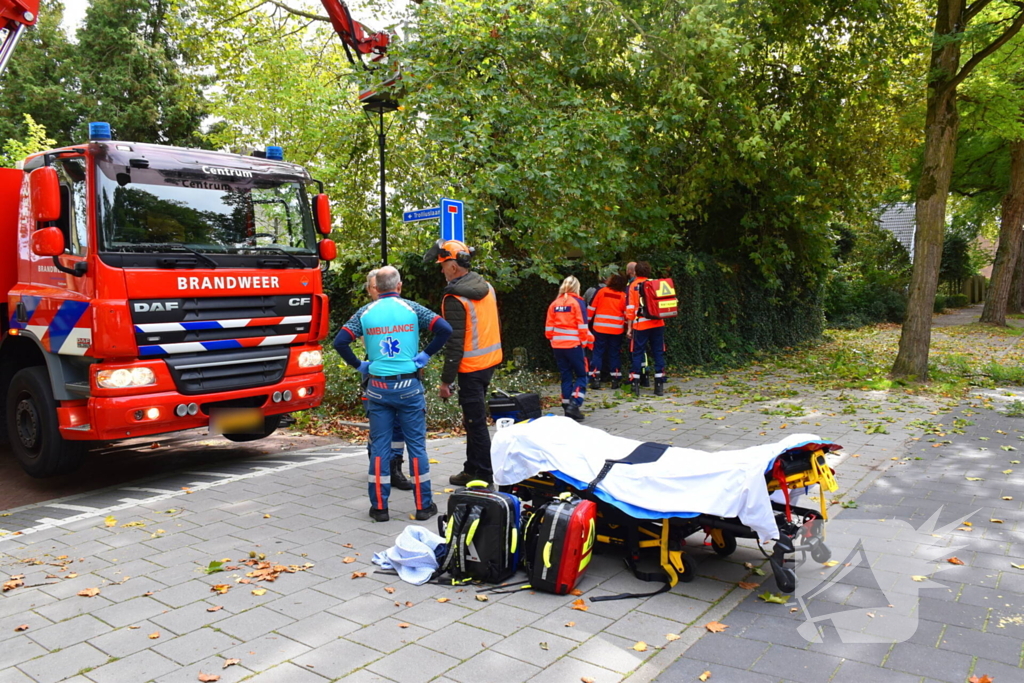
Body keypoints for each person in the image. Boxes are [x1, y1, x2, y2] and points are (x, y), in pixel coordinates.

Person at [333, 266, 452, 522]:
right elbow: (445, 329)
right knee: (417, 447)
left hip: (377, 388)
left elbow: (339, 342)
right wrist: (424, 356)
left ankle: (379, 508)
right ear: (399, 286)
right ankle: (424, 506)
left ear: (376, 287)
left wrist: (360, 365)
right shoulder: (412, 309)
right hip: (409, 387)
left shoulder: (364, 313)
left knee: (379, 448)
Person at [423, 239, 503, 486]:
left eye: (443, 264)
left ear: (454, 267)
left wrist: (446, 380)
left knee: (475, 422)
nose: (441, 269)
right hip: (489, 362)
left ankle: (484, 473)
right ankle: (471, 468)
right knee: (474, 420)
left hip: (471, 368)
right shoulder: (487, 287)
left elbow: (454, 343)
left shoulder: (454, 298)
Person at [363, 269, 412, 492]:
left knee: (399, 427)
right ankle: (378, 466)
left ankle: (395, 468)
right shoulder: (366, 314)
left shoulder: (401, 311)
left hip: (402, 377)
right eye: (374, 287)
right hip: (376, 376)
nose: (378, 290)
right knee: (379, 427)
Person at [545, 276, 592, 422]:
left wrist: (555, 340)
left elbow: (548, 330)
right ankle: (574, 403)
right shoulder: (577, 303)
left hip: (558, 346)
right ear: (576, 287)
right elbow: (583, 325)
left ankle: (567, 406)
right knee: (582, 375)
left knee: (566, 375)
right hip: (574, 345)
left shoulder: (555, 303)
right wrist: (584, 342)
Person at [625, 261, 666, 396]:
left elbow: (631, 309)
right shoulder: (655, 283)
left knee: (637, 353)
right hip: (657, 323)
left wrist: (629, 327)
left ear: (635, 272)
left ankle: (635, 384)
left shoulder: (633, 286)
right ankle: (659, 384)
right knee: (658, 352)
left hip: (640, 324)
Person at [587, 273, 628, 390]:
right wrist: (625, 328)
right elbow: (626, 315)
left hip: (599, 328)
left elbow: (591, 309)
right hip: (616, 330)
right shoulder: (622, 296)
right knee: (614, 354)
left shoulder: (602, 292)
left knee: (597, 353)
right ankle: (615, 379)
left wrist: (585, 324)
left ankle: (595, 378)